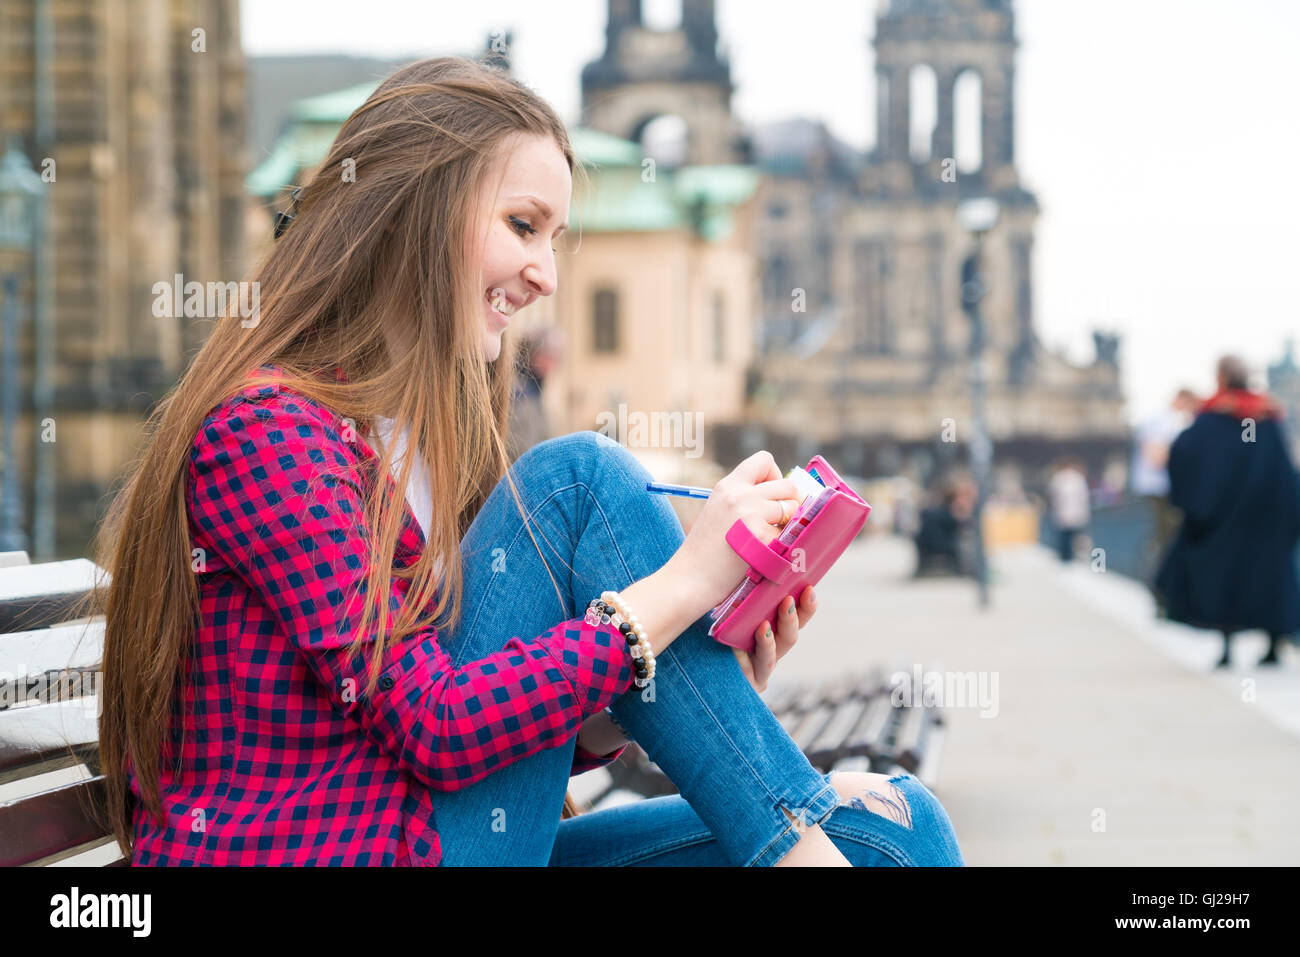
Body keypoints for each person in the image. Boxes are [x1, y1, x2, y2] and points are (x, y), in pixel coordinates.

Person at [91, 57, 963, 867]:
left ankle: (799, 831)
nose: (546, 273)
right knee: (579, 481)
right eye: (523, 225)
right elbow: (432, 723)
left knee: (897, 825)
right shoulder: (266, 432)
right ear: (410, 212)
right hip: (342, 848)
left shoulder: (429, 440)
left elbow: (484, 725)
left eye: (556, 238)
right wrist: (687, 585)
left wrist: (699, 683)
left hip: (443, 832)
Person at [1155, 356, 1300, 668]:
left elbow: (1183, 455)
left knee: (1225, 578)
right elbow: (1285, 473)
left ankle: (1227, 647)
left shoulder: (1213, 419)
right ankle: (1274, 645)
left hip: (1224, 517)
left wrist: (1196, 504)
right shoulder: (1267, 417)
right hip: (1267, 517)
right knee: (1269, 577)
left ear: (1220, 378)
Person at [1132, 389, 1199, 595]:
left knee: (1162, 537)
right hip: (1159, 488)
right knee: (1165, 538)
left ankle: (1160, 586)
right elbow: (1157, 457)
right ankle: (1160, 589)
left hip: (1156, 488)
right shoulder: (1163, 421)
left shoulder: (1160, 419)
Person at [1047, 458, 1090, 562]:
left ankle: (1066, 557)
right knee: (1073, 537)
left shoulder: (1058, 478)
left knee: (1064, 538)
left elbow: (1051, 495)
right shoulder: (1078, 478)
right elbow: (1084, 498)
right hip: (1075, 514)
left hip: (1063, 513)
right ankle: (1070, 557)